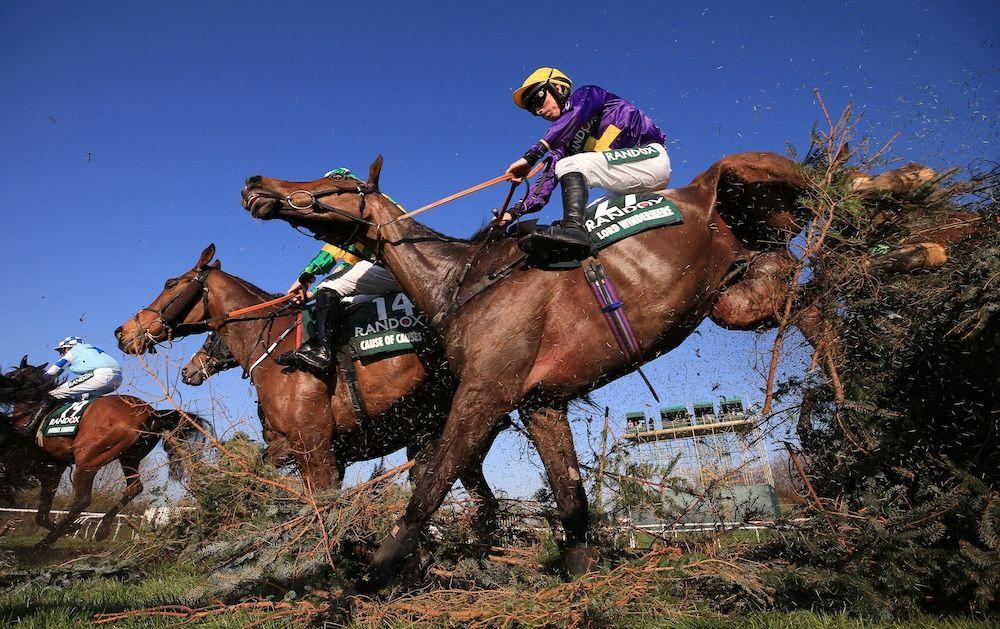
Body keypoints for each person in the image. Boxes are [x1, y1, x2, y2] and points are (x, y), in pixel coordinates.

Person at [501, 67, 671, 260]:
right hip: (627, 186)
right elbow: (544, 184)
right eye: (532, 109)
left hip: (651, 159)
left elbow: (573, 117)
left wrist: (531, 156)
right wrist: (511, 214)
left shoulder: (588, 94)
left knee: (569, 166)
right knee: (587, 218)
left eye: (538, 99)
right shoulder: (562, 146)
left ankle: (574, 231)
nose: (538, 110)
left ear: (558, 87)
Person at [275, 168, 401, 375]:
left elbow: (333, 252)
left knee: (328, 287)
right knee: (336, 297)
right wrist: (311, 294)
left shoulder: (356, 202)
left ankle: (323, 353)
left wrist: (305, 277)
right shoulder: (376, 199)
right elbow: (351, 265)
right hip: (391, 269)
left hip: (391, 267)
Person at [16, 336, 122, 438]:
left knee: (53, 394)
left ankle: (30, 427)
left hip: (101, 375)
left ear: (67, 348)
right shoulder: (89, 348)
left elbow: (55, 370)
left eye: (62, 351)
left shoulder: (73, 351)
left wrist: (41, 383)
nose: (61, 354)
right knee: (82, 398)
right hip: (117, 379)